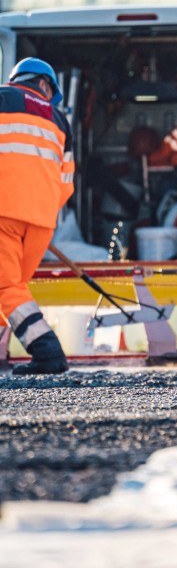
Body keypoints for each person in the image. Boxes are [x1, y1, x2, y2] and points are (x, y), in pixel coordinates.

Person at [0, 58, 75, 375]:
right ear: (44, 84)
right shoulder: (60, 120)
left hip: (2, 211)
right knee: (11, 288)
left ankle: (47, 352)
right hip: (41, 220)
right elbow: (67, 184)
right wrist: (39, 209)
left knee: (6, 288)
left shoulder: (3, 97)